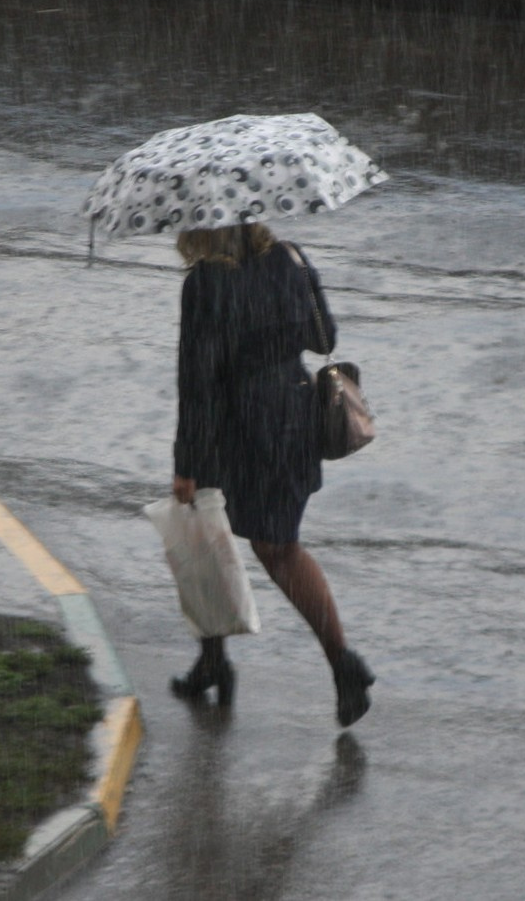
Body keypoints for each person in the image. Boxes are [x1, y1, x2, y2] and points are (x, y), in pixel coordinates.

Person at [169, 222, 375, 728]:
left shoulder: (205, 283)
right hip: (291, 413)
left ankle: (216, 660)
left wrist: (186, 463)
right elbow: (322, 335)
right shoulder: (289, 259)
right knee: (281, 549)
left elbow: (197, 381)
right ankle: (341, 663)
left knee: (204, 538)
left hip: (233, 423)